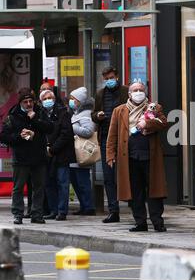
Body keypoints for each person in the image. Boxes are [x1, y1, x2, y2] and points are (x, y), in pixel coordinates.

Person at [106, 82, 168, 232]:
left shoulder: (154, 108)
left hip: (150, 156)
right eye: (135, 90)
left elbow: (163, 123)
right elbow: (112, 134)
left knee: (154, 190)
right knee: (135, 191)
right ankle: (140, 222)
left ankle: (157, 222)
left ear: (146, 92)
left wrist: (147, 123)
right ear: (129, 94)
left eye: (141, 90)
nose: (138, 92)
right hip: (129, 158)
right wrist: (110, 154)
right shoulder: (119, 111)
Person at [0, 87, 53, 224]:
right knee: (18, 187)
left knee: (38, 187)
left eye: (31, 101)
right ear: (20, 103)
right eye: (25, 102)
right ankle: (18, 214)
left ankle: (36, 214)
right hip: (21, 158)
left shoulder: (39, 112)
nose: (29, 104)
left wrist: (35, 119)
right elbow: (4, 136)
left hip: (38, 156)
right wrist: (20, 136)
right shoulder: (13, 116)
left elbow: (50, 128)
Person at [91, 66, 129, 223]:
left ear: (117, 77)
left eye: (111, 78)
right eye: (106, 79)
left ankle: (134, 206)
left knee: (127, 174)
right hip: (106, 138)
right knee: (108, 176)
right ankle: (114, 211)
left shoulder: (126, 92)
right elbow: (93, 114)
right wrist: (97, 116)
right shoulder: (100, 94)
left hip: (124, 138)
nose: (109, 81)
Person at [40, 90, 76, 221]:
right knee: (49, 183)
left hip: (61, 154)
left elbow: (66, 134)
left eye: (50, 97)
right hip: (46, 155)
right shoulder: (40, 114)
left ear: (54, 99)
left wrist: (53, 149)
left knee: (62, 183)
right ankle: (53, 210)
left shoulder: (63, 113)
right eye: (45, 98)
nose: (48, 100)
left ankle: (62, 211)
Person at [69, 87, 96, 216]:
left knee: (82, 182)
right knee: (76, 182)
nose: (71, 101)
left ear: (79, 100)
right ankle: (84, 206)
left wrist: (72, 127)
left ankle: (88, 206)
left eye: (73, 99)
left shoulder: (85, 114)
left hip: (82, 153)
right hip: (74, 154)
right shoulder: (76, 113)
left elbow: (88, 131)